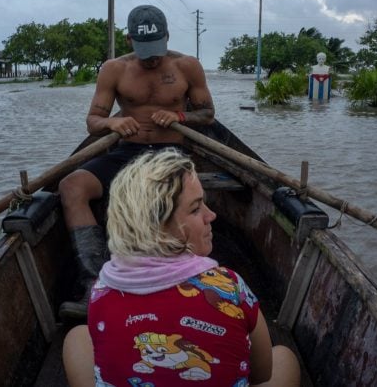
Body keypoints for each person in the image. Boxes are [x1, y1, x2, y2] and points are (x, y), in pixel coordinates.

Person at [62, 148, 301, 386]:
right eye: (196, 208)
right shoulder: (230, 286)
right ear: (159, 225)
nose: (212, 215)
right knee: (284, 358)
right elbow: (261, 373)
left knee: (77, 337)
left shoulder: (101, 288)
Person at [57, 4, 215, 319]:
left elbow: (208, 114)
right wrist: (112, 124)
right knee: (71, 186)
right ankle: (96, 282)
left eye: (156, 49)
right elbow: (93, 121)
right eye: (144, 51)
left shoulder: (187, 66)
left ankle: (187, 279)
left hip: (172, 155)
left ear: (167, 37)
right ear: (129, 41)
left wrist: (179, 115)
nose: (151, 58)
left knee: (167, 197)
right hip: (127, 153)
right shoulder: (114, 69)